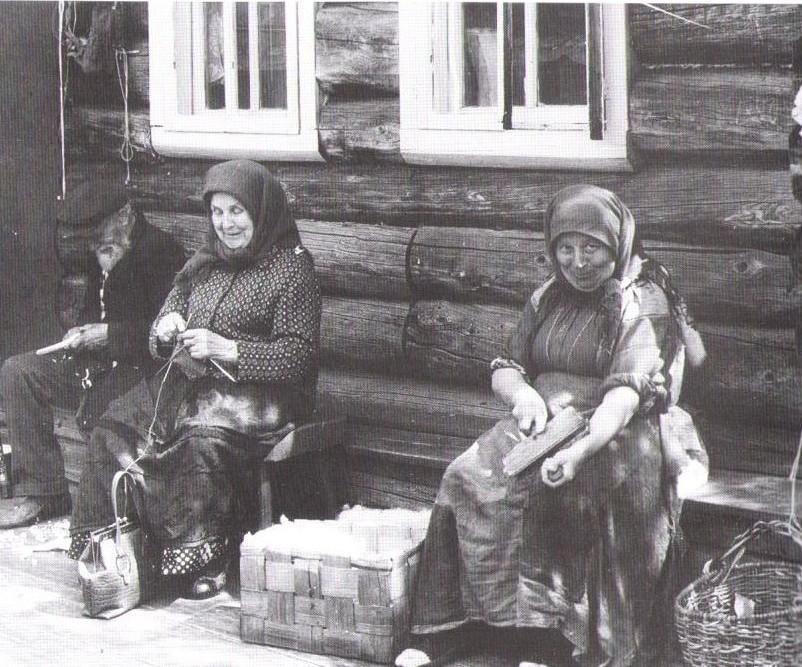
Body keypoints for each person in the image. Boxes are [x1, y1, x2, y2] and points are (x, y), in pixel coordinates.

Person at [397, 185, 708, 667]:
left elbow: (625, 397)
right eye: (566, 248)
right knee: (465, 476)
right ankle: (455, 625)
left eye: (592, 248)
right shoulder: (547, 296)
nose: (578, 262)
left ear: (616, 244)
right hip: (543, 419)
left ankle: (561, 643)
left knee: (565, 491)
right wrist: (522, 395)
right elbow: (506, 365)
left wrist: (579, 451)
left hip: (617, 429)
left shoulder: (641, 302)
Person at [69, 159, 322, 599]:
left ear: (261, 210)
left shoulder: (291, 268)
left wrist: (228, 349)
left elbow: (298, 356)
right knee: (114, 426)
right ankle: (116, 549)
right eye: (217, 212)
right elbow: (168, 312)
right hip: (192, 385)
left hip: (262, 395)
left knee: (196, 438)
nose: (226, 224)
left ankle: (205, 555)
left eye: (237, 211)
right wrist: (166, 327)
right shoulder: (204, 261)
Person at [0, 182, 185, 528]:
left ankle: (115, 511)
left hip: (141, 372)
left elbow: (167, 335)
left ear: (125, 215)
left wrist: (109, 336)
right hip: (94, 365)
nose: (91, 242)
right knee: (18, 371)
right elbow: (95, 309)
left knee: (102, 409)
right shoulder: (102, 247)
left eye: (99, 230)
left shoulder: (161, 252)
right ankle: (45, 493)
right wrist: (80, 333)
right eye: (88, 234)